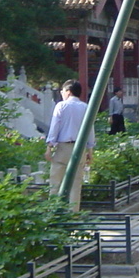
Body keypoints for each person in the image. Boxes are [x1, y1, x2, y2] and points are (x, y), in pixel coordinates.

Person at [44, 79, 95, 210]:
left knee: (55, 182)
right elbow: (90, 129)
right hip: (80, 148)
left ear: (68, 92)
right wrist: (90, 150)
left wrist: (49, 147)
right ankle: (74, 215)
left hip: (63, 147)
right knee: (76, 184)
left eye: (63, 90)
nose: (61, 93)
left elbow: (55, 127)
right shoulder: (86, 107)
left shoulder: (61, 106)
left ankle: (53, 211)